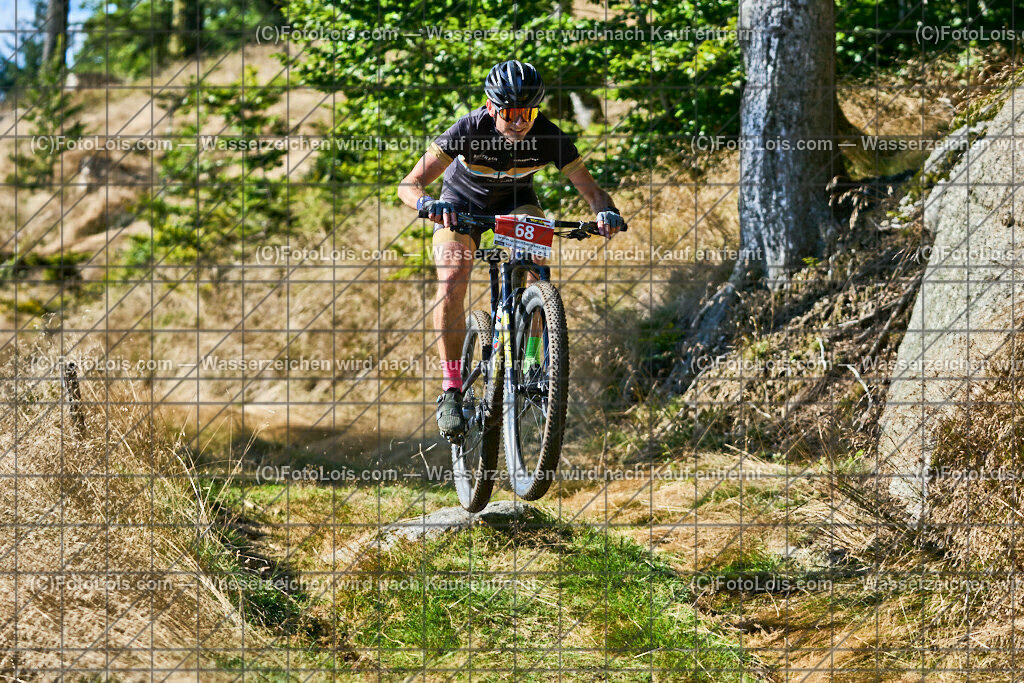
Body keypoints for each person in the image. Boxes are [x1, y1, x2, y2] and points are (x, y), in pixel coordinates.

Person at [397, 59, 625, 442]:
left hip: (517, 204)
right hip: (459, 206)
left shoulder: (549, 136)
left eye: (528, 113)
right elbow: (409, 183)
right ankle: (452, 388)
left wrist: (606, 212)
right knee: (452, 280)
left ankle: (532, 359)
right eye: (510, 113)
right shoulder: (469, 128)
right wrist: (427, 204)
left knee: (537, 264)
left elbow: (592, 190)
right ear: (491, 107)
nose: (519, 122)